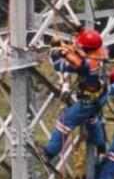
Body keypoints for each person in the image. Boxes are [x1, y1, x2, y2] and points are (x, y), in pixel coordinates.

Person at [42, 27, 109, 162]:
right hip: (101, 96)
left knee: (65, 122)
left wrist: (56, 53)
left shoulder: (86, 65)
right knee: (92, 120)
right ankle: (102, 146)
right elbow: (85, 48)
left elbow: (60, 66)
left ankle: (49, 153)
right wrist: (80, 31)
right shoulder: (101, 51)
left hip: (88, 101)